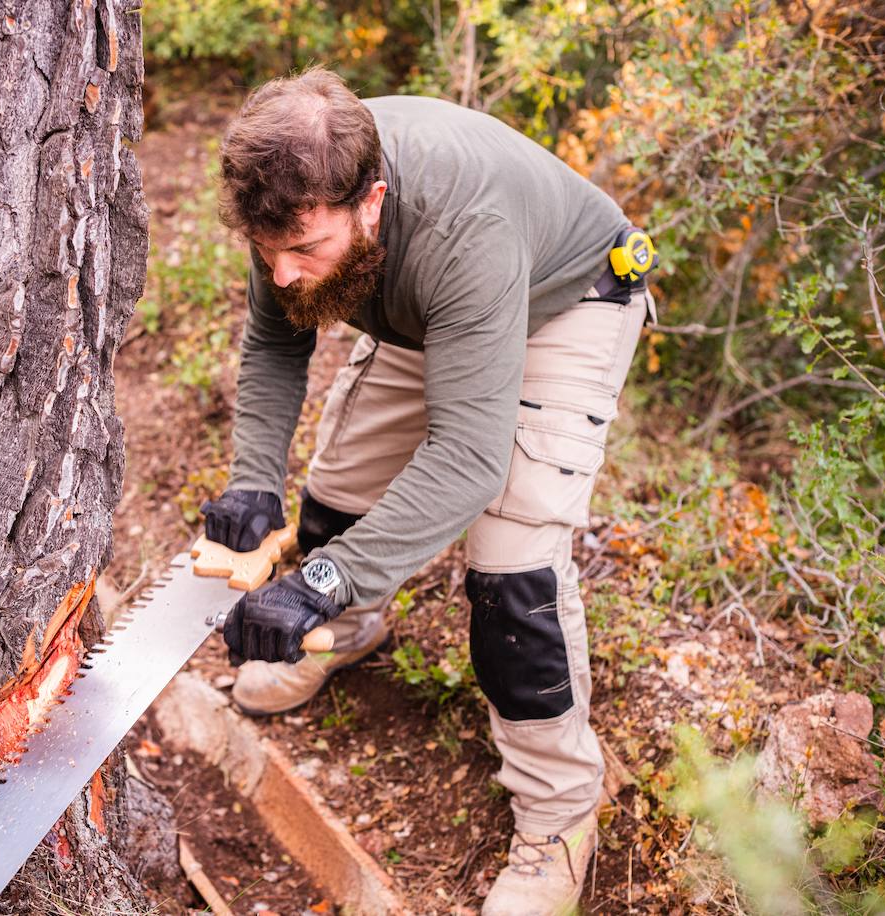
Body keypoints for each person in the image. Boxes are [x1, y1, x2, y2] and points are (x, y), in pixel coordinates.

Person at [198, 67, 656, 915]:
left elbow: (470, 459)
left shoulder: (460, 227)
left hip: (564, 301)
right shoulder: (291, 198)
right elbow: (272, 345)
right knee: (338, 496)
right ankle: (349, 629)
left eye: (304, 252)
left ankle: (560, 816)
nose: (285, 274)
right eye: (269, 254)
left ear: (369, 204)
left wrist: (317, 582)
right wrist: (255, 483)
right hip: (432, 308)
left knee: (511, 569)